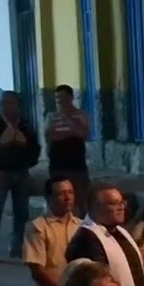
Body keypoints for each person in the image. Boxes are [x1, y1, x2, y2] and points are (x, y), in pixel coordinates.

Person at [0, 91, 42, 263]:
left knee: (22, 212)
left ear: (18, 105)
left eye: (11, 103)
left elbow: (35, 148)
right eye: (4, 103)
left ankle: (17, 245)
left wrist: (28, 162)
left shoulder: (25, 126)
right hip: (1, 175)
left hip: (21, 174)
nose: (7, 107)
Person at [65, 183, 144, 286]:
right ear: (94, 208)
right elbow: (100, 283)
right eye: (113, 203)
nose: (121, 207)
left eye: (122, 202)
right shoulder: (86, 239)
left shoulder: (120, 231)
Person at [45, 84, 92, 215]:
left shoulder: (81, 115)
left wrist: (69, 120)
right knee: (58, 198)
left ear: (70, 98)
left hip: (77, 164)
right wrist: (70, 134)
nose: (60, 101)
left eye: (63, 97)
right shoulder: (51, 117)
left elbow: (84, 134)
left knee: (81, 199)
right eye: (57, 98)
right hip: (57, 164)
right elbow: (50, 136)